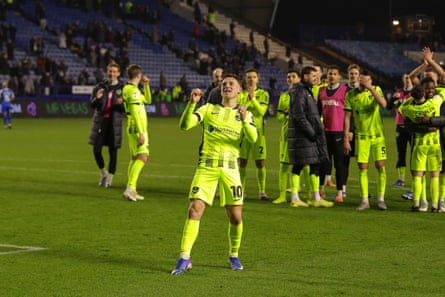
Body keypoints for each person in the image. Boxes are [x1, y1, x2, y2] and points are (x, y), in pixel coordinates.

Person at [171, 74, 258, 275]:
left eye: (231, 84)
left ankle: (233, 255)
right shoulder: (208, 109)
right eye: (224, 83)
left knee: (236, 217)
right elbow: (185, 126)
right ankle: (184, 257)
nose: (227, 86)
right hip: (207, 167)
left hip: (230, 170)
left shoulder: (246, 114)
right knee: (194, 210)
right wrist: (191, 105)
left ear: (239, 91)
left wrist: (245, 120)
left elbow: (253, 139)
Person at [288, 66, 333, 208]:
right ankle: (295, 198)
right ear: (305, 76)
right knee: (298, 165)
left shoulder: (305, 91)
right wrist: (311, 132)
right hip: (303, 136)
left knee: (315, 164)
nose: (316, 79)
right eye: (314, 76)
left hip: (307, 136)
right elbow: (299, 115)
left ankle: (316, 197)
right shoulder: (300, 91)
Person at [343, 70, 388, 211]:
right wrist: (346, 137)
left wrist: (371, 88)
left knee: (380, 165)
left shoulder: (376, 90)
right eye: (362, 81)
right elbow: (347, 117)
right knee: (362, 167)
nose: (363, 83)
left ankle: (381, 199)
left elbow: (383, 104)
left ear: (371, 82)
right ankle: (364, 201)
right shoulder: (351, 95)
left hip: (377, 136)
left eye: (366, 81)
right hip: (362, 137)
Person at [399, 81, 442, 212]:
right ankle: (435, 206)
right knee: (435, 176)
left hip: (419, 145)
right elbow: (441, 95)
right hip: (434, 144)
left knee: (418, 175)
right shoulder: (434, 103)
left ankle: (416, 204)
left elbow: (401, 108)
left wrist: (411, 97)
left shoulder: (409, 109)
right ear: (424, 93)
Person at [88, 62, 125, 188]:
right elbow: (92, 105)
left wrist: (122, 104)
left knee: (112, 152)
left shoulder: (123, 88)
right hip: (101, 122)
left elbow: (127, 108)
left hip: (114, 124)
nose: (112, 74)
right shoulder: (99, 87)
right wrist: (98, 98)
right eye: (110, 71)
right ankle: (103, 173)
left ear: (119, 73)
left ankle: (110, 178)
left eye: (114, 71)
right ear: (106, 72)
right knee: (96, 150)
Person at [272, 69, 305, 206]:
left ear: (298, 79)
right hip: (286, 134)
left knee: (300, 166)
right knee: (283, 166)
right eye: (288, 77)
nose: (290, 79)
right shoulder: (284, 96)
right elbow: (279, 117)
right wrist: (285, 114)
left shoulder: (304, 94)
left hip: (300, 135)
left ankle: (297, 196)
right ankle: (282, 196)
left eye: (293, 76)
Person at [317, 65, 350, 203]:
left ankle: (339, 193)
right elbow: (317, 113)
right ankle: (320, 190)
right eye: (330, 74)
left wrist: (347, 134)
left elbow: (349, 114)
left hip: (338, 132)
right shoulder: (321, 91)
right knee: (323, 162)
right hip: (325, 132)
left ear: (339, 77)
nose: (332, 76)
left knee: (339, 163)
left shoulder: (345, 91)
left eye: (334, 74)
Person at [237, 68, 270, 200]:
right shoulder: (239, 94)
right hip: (243, 134)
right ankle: (241, 191)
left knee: (260, 163)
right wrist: (248, 100)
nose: (251, 79)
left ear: (258, 78)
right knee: (242, 163)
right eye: (249, 77)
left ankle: (262, 191)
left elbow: (261, 111)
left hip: (258, 134)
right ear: (245, 79)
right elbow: (239, 110)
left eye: (254, 77)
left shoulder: (263, 94)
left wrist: (253, 100)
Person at [122, 64, 152, 202]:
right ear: (138, 75)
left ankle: (131, 189)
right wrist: (141, 132)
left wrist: (146, 86)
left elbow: (148, 100)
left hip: (134, 127)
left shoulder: (133, 89)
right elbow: (134, 112)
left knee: (135, 158)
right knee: (143, 157)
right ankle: (130, 188)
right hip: (137, 128)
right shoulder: (132, 91)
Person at [387, 73, 413, 187]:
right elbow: (388, 107)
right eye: (405, 78)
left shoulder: (416, 93)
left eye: (409, 78)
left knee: (414, 155)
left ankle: (415, 179)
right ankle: (401, 179)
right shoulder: (399, 92)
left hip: (412, 127)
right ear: (402, 79)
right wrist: (393, 98)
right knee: (401, 153)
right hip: (400, 126)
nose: (407, 80)